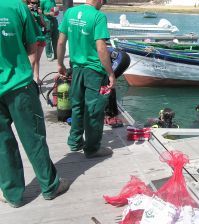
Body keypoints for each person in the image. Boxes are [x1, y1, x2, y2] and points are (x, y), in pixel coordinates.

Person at [0, 0, 69, 208]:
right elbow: (35, 43)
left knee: (2, 143)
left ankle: (12, 194)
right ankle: (49, 186)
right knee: (34, 137)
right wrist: (29, 70)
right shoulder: (17, 7)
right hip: (19, 84)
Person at [57, 0, 116, 158]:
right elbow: (101, 47)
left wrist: (60, 63)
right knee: (94, 110)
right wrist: (110, 73)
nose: (103, 3)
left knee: (77, 106)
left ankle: (75, 142)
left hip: (76, 69)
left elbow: (61, 41)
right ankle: (92, 148)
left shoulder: (69, 13)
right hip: (94, 71)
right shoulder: (98, 17)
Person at [27, 0, 47, 84]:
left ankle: (37, 77)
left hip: (41, 37)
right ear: (28, 3)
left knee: (37, 60)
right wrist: (28, 11)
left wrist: (40, 14)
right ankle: (29, 79)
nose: (34, 5)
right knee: (32, 60)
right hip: (32, 38)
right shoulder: (25, 11)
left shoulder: (39, 12)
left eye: (36, 3)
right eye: (32, 3)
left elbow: (45, 24)